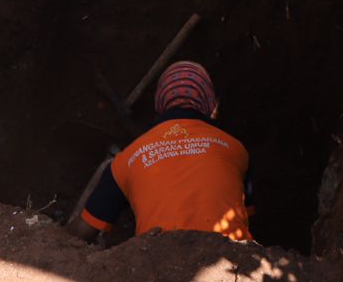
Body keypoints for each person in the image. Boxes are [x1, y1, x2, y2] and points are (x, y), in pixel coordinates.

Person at [68, 61, 253, 243]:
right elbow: (246, 216)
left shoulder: (126, 161)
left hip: (158, 265)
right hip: (232, 263)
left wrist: (53, 237)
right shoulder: (236, 149)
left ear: (159, 103)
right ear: (210, 104)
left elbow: (82, 232)